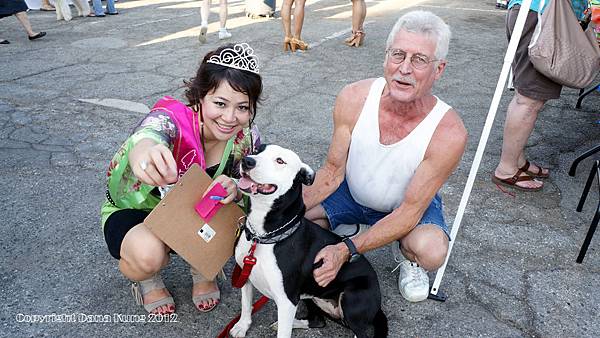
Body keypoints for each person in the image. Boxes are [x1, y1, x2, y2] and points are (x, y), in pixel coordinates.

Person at [303, 11, 467, 303]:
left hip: (405, 207)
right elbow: (330, 172)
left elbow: (409, 211)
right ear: (385, 57)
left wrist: (346, 250)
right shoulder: (354, 97)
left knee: (432, 251)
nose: (404, 68)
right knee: (292, 222)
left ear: (439, 69)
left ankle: (402, 252)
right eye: (398, 54)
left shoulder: (448, 131)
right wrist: (276, 211)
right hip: (350, 192)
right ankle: (357, 228)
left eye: (419, 60)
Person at [101, 43, 262, 314]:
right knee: (148, 256)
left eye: (243, 107)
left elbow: (254, 188)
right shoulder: (174, 119)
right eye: (220, 103)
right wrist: (147, 153)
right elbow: (149, 133)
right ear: (200, 97)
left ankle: (202, 267)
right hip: (139, 211)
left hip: (197, 216)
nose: (230, 117)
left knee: (247, 222)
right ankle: (147, 279)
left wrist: (235, 187)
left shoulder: (246, 138)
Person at [491, 0, 587, 191]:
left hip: (534, 12)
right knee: (528, 101)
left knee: (525, 97)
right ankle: (507, 168)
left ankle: (516, 160)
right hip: (543, 15)